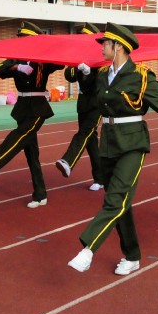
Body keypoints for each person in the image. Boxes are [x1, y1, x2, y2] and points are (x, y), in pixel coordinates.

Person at [67, 23, 158, 275]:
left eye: (106, 44)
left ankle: (88, 250)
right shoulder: (102, 74)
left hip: (132, 144)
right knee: (120, 203)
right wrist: (84, 75)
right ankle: (132, 255)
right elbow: (91, 93)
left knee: (115, 199)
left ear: (118, 46)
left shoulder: (141, 75)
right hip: (108, 142)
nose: (102, 48)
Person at [0, 22, 64, 208]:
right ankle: (40, 194)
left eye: (24, 38)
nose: (21, 41)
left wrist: (49, 48)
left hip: (38, 107)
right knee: (32, 155)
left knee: (20, 135)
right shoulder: (16, 58)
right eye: (20, 38)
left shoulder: (43, 58)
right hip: (23, 107)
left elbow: (61, 62)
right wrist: (16, 67)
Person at [56, 23, 106, 191]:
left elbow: (100, 81)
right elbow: (69, 75)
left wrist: (87, 73)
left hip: (97, 102)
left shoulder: (101, 56)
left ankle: (68, 161)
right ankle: (100, 178)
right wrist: (78, 65)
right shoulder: (80, 55)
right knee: (90, 141)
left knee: (85, 132)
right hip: (83, 102)